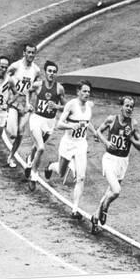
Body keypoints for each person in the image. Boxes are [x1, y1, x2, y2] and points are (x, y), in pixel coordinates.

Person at [44, 80, 97, 219]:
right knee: (61, 172)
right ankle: (50, 166)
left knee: (81, 177)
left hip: (81, 144)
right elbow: (59, 124)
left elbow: (87, 123)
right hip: (68, 143)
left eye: (88, 92)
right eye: (84, 91)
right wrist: (71, 126)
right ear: (78, 92)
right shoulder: (71, 105)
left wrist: (95, 132)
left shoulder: (89, 107)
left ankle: (75, 209)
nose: (86, 94)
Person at [90, 96, 140, 234]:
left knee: (110, 191)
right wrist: (106, 143)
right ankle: (105, 207)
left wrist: (131, 137)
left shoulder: (133, 124)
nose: (129, 109)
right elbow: (98, 132)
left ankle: (95, 217)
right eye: (127, 105)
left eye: (131, 107)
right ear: (121, 107)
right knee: (116, 190)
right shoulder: (111, 119)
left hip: (123, 162)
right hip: (109, 159)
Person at [25, 60, 66, 190]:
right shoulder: (38, 85)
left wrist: (56, 106)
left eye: (54, 72)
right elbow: (28, 91)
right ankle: (34, 175)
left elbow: (65, 107)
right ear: (45, 72)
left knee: (36, 146)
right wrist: (28, 103)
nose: (51, 74)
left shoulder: (59, 88)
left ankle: (29, 160)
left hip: (49, 122)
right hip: (37, 119)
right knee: (41, 148)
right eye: (49, 71)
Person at [5, 44, 41, 168]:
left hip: (25, 106)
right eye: (29, 52)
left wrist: (34, 101)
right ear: (24, 53)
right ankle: (6, 120)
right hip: (14, 103)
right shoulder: (15, 66)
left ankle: (10, 156)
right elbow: (4, 77)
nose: (31, 55)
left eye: (33, 53)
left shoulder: (36, 70)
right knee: (13, 132)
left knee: (20, 133)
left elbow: (36, 87)